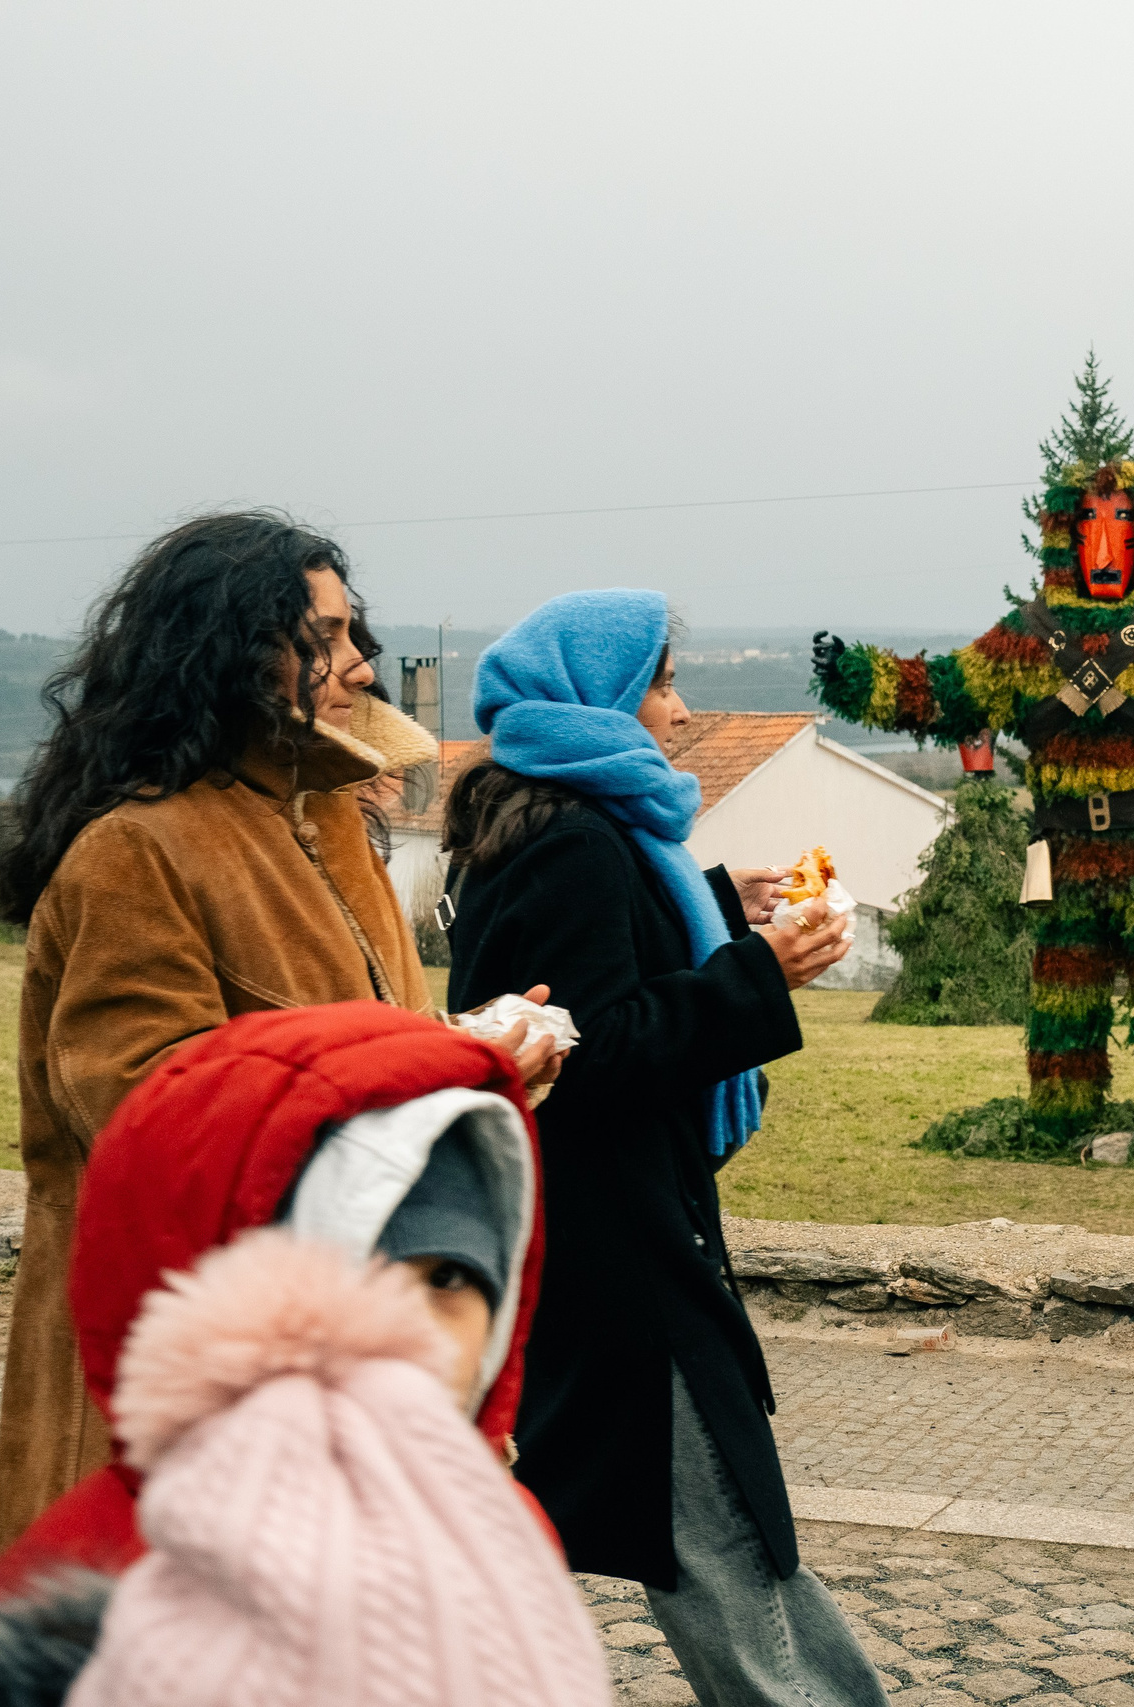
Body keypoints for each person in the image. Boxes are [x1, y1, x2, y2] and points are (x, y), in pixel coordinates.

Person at [0, 511, 559, 1550]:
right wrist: (445, 1063)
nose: (358, 664)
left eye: (352, 633)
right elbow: (152, 1122)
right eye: (324, 636)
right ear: (229, 650)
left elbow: (367, 1055)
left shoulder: (335, 826)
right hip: (184, 1393)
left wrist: (476, 1056)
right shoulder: (136, 852)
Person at [0, 1002, 607, 1706]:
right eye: (357, 1271)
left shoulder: (501, 1524)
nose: (408, 1329)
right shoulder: (106, 1576)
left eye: (453, 1277)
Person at [443, 590, 884, 1707]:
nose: (680, 715)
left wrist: (715, 907)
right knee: (722, 1534)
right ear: (599, 693)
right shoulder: (574, 841)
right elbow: (584, 1055)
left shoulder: (567, 822)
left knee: (714, 1525)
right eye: (664, 683)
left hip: (614, 1238)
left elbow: (601, 981)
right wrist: (757, 975)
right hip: (623, 1252)